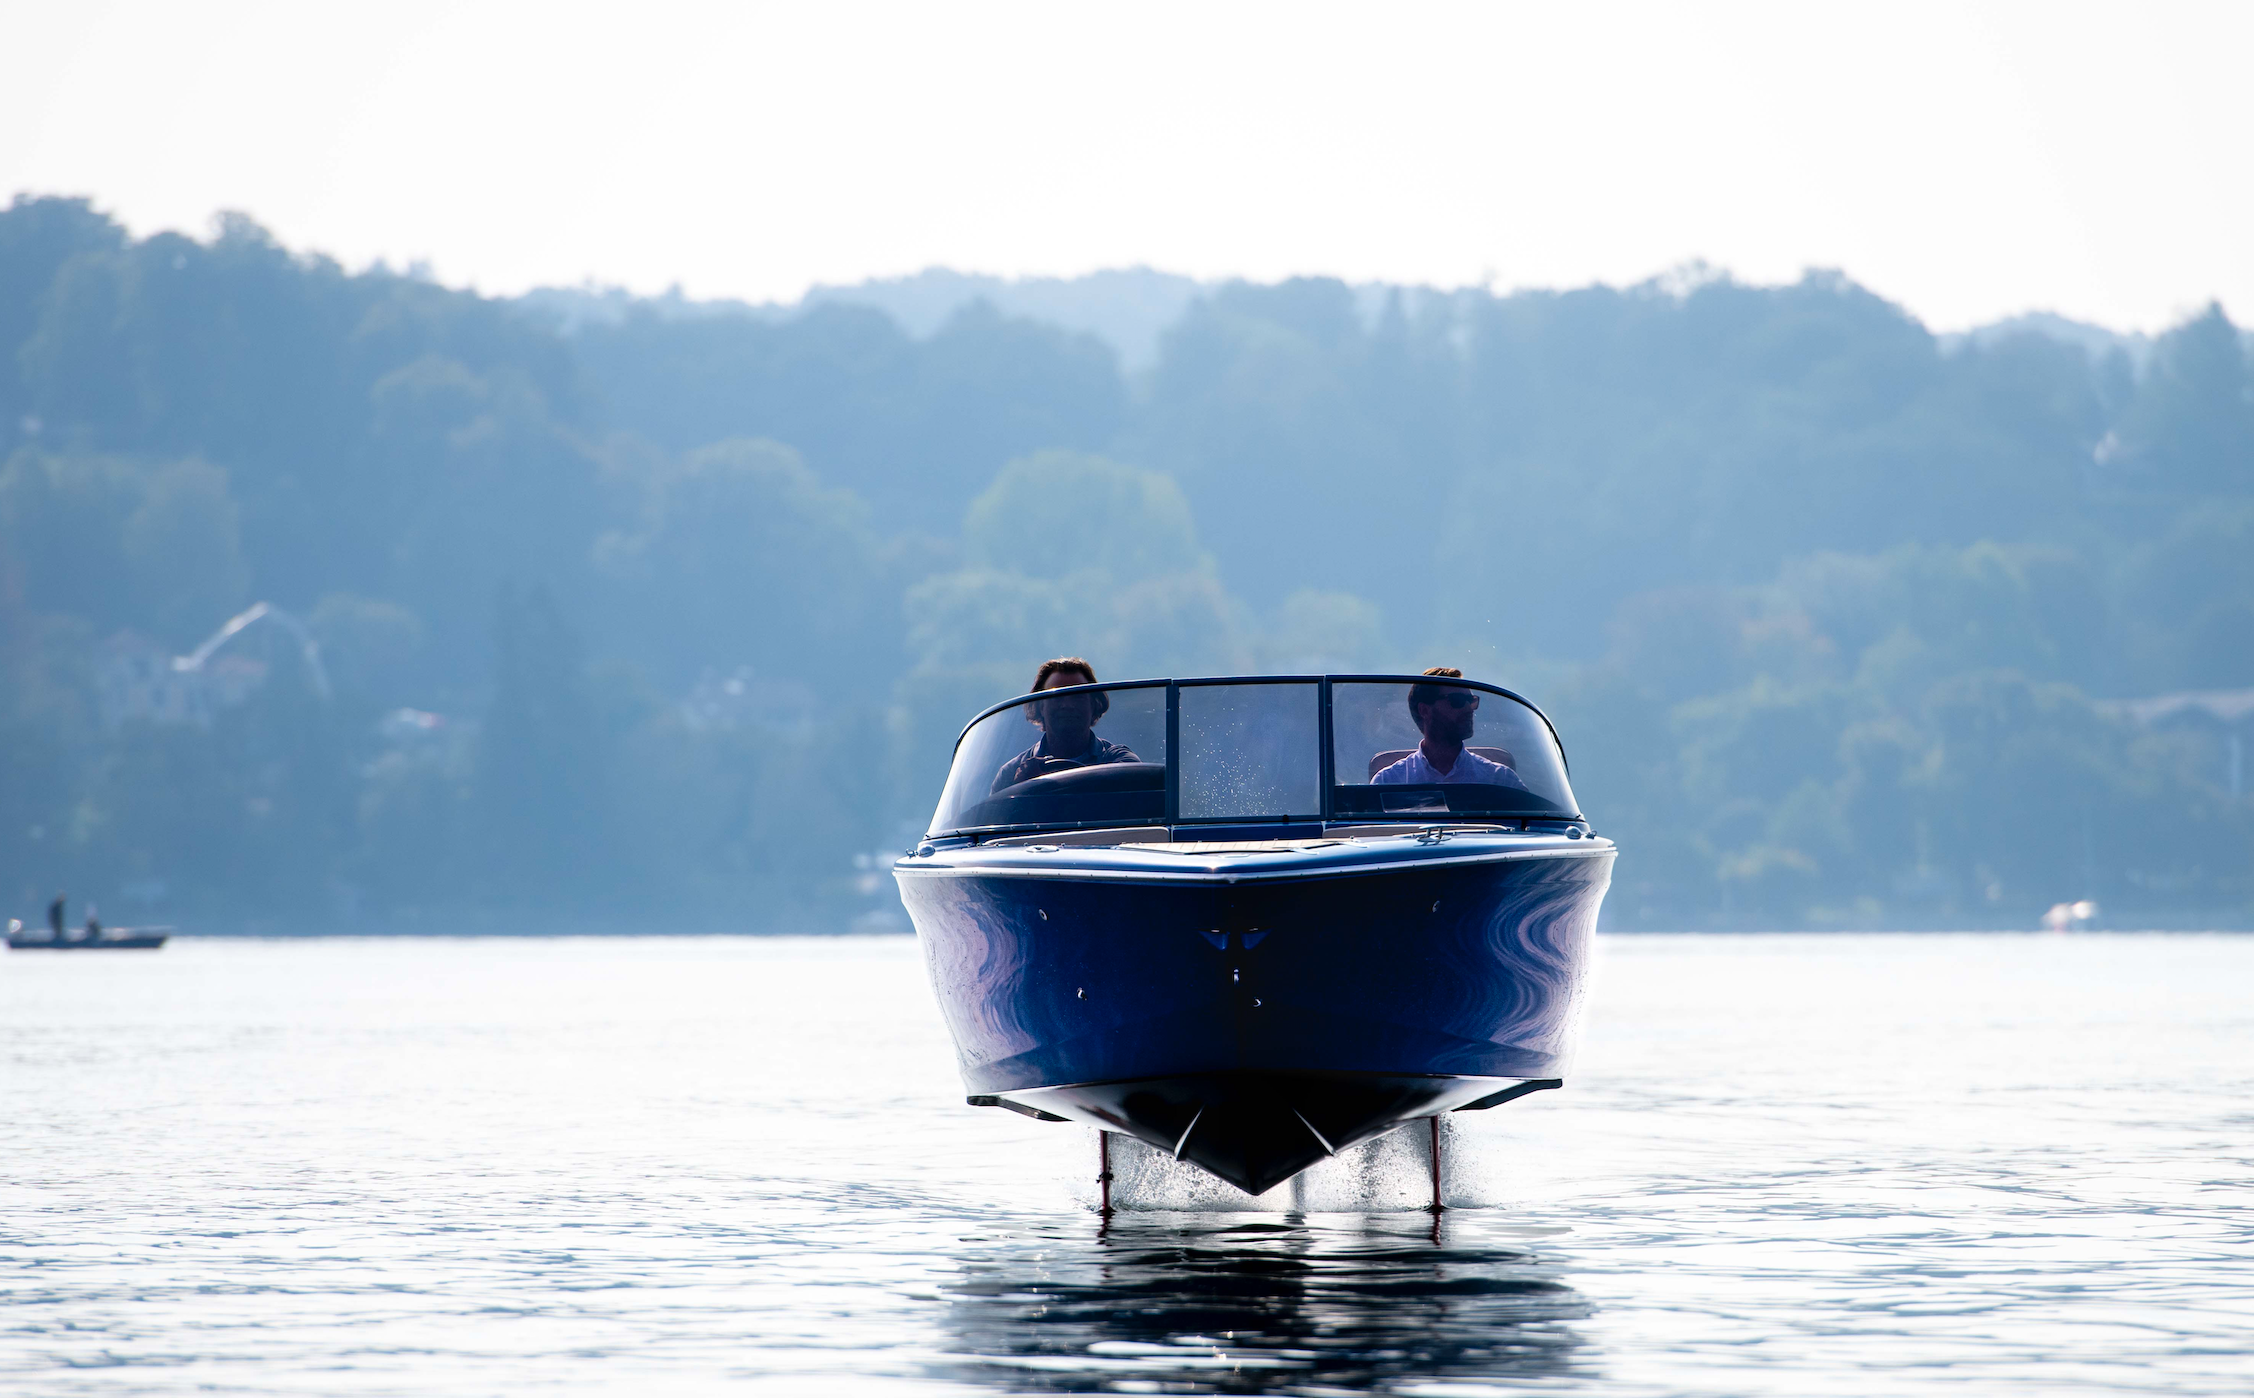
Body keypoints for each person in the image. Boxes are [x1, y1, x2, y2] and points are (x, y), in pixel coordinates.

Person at [991, 657, 1140, 792]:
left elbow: (1141, 788)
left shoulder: (1119, 761)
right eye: (1057, 697)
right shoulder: (1011, 773)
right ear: (1040, 707)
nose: (1067, 705)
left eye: (1077, 697)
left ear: (1093, 705)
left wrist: (1043, 783)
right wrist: (1020, 789)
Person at [1371, 667, 1529, 789]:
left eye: (1471, 700)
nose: (1469, 708)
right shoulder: (1387, 782)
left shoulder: (1501, 781)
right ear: (1425, 710)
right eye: (1457, 701)